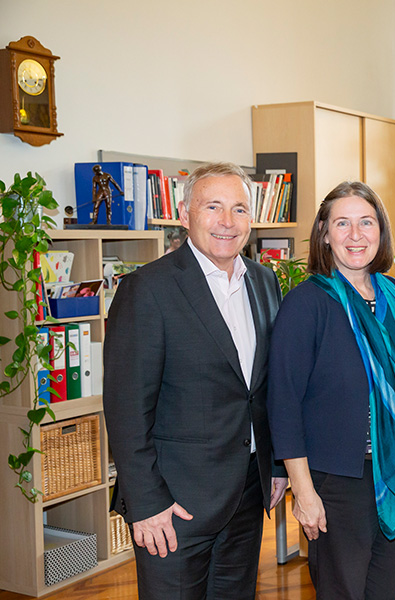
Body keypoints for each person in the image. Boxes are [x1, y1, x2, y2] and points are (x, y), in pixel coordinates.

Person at [104, 161, 288, 600]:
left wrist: (276, 465)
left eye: (240, 209)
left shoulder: (263, 281)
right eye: (213, 207)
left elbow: (264, 390)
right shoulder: (147, 289)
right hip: (174, 506)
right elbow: (127, 410)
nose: (227, 222)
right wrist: (147, 505)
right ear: (185, 215)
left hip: (245, 494)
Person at [267, 181, 395, 599]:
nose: (356, 235)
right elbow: (283, 403)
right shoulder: (306, 303)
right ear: (324, 233)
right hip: (336, 484)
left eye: (366, 222)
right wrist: (303, 491)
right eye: (342, 223)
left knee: (382, 592)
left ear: (381, 230)